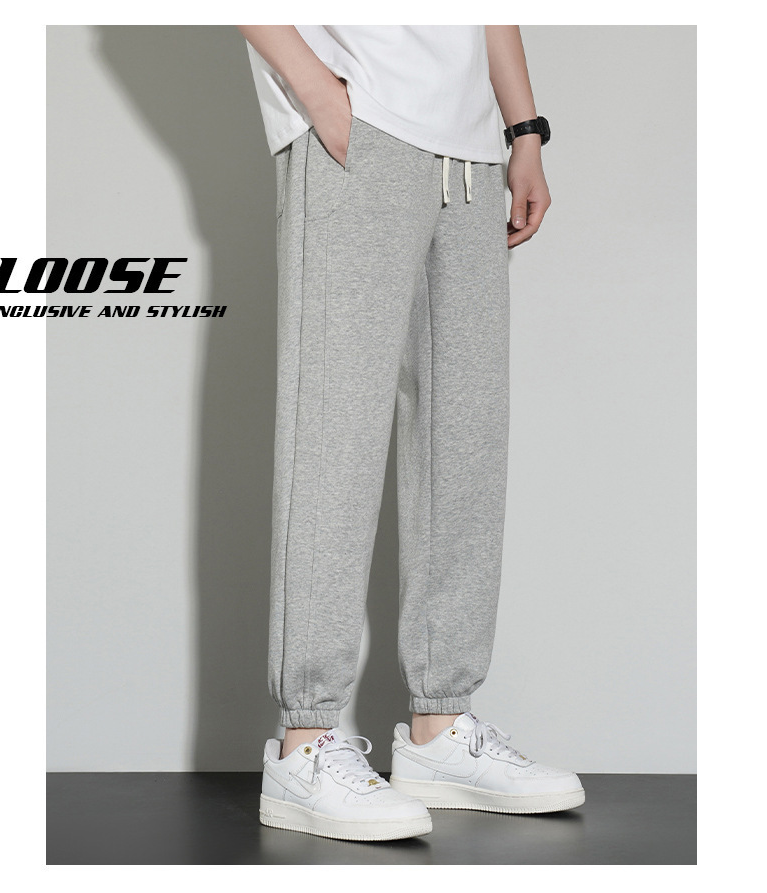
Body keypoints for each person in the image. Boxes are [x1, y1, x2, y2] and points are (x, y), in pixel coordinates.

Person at [237, 24, 584, 842]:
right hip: (364, 123)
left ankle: (440, 727)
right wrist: (318, 91)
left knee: (464, 436)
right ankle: (305, 740)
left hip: (473, 149)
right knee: (335, 431)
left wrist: (523, 130)